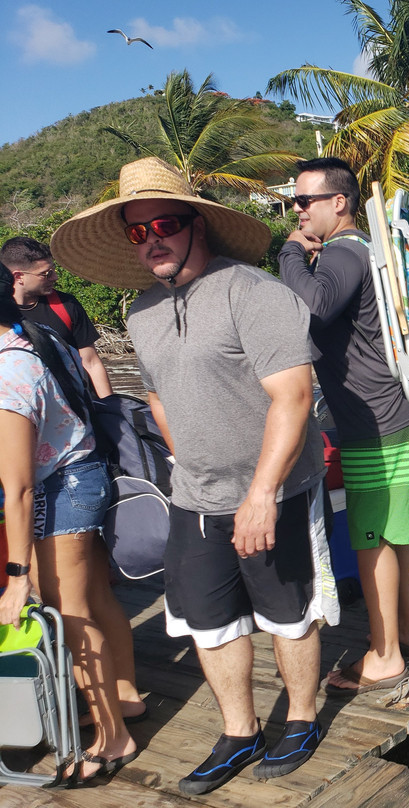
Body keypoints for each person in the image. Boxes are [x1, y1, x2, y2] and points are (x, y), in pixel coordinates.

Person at [50, 156, 338, 794]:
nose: (152, 238)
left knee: (288, 612)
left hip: (276, 490)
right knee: (208, 621)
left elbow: (293, 397)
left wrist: (261, 495)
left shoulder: (255, 293)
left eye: (166, 223)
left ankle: (302, 716)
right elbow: (156, 397)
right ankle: (239, 731)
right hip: (195, 496)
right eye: (137, 230)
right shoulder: (143, 312)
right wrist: (187, 461)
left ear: (198, 225)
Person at [277, 157, 409, 698]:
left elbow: (315, 305)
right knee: (403, 529)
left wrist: (290, 253)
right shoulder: (370, 249)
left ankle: (386, 656)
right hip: (404, 407)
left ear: (338, 203)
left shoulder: (343, 250)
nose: (296, 211)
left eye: (304, 201)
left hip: (372, 417)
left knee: (373, 538)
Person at [0, 262, 141, 784]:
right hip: (82, 471)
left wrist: (18, 578)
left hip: (62, 489)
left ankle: (112, 737)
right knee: (95, 601)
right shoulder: (31, 338)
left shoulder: (7, 374)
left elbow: (18, 488)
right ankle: (123, 700)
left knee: (72, 616)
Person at [1, 237, 113, 398]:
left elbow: (91, 362)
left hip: (78, 407)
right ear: (18, 277)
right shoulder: (3, 316)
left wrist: (111, 407)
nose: (54, 278)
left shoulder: (66, 305)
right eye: (46, 274)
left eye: (53, 270)